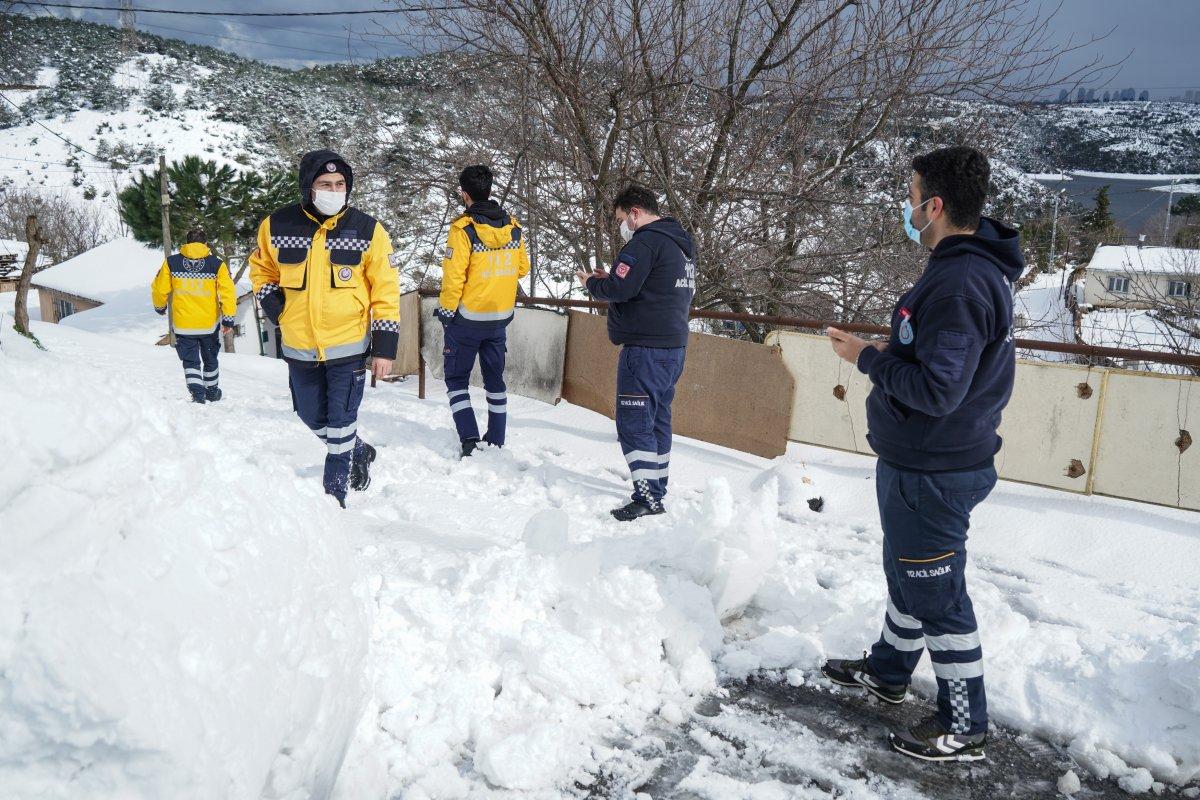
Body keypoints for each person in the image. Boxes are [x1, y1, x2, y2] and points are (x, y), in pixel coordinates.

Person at [822, 146, 1023, 762]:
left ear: (934, 206)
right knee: (907, 575)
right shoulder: (959, 268)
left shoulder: (961, 283)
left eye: (910, 197)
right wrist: (892, 354)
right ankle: (888, 672)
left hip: (934, 471)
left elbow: (939, 391)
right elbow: (941, 362)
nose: (906, 209)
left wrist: (866, 358)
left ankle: (965, 725)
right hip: (917, 462)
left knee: (937, 596)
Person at [249, 149, 399, 508]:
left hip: (348, 344)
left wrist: (384, 347)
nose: (334, 190)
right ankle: (358, 450)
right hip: (299, 344)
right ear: (308, 186)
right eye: (325, 184)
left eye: (340, 184)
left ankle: (334, 497)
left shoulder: (369, 230)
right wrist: (278, 310)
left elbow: (386, 289)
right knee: (309, 414)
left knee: (341, 419)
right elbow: (261, 270)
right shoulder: (276, 225)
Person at [576, 184, 696, 522]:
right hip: (673, 347)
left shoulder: (644, 242)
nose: (621, 226)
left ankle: (647, 497)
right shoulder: (680, 245)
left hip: (645, 350)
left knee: (633, 422)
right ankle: (657, 487)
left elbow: (620, 288)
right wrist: (613, 278)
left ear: (634, 213)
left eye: (620, 219)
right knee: (657, 420)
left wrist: (591, 283)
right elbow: (648, 285)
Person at [434, 165, 530, 459]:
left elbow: (453, 279)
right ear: (490, 190)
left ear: (464, 194)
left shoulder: (463, 230)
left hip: (467, 319)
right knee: (495, 379)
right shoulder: (513, 226)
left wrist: (446, 313)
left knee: (456, 380)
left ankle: (469, 439)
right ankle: (497, 438)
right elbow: (522, 268)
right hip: (499, 318)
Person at [151, 227, 236, 403]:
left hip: (184, 325)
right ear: (206, 244)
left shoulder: (172, 262)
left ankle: (198, 395)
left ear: (187, 243)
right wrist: (228, 319)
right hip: (208, 325)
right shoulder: (217, 264)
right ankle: (212, 391)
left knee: (191, 362)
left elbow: (159, 288)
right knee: (210, 358)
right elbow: (228, 292)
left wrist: (160, 306)